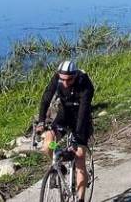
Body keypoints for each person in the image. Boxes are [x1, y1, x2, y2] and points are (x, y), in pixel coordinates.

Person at [36, 60, 94, 201]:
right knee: (48, 144)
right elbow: (46, 98)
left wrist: (78, 139)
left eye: (69, 80)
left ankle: (80, 198)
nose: (65, 83)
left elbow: (83, 112)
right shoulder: (58, 78)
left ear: (75, 76)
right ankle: (59, 165)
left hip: (81, 118)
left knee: (79, 157)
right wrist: (42, 121)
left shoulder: (84, 84)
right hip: (64, 115)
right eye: (62, 79)